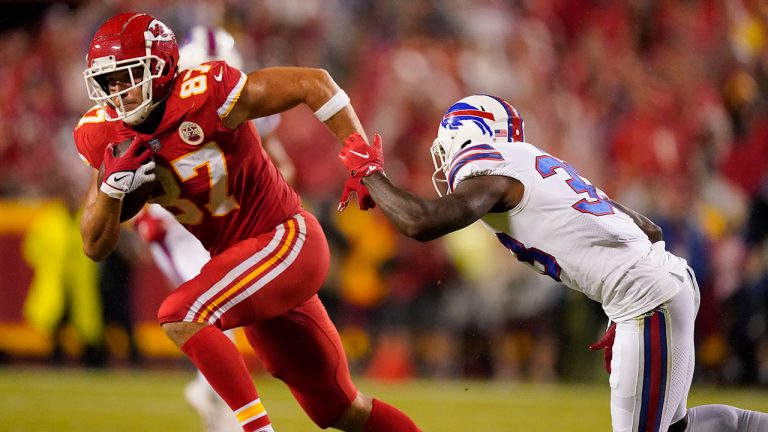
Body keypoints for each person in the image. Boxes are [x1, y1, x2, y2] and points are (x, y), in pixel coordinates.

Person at [337, 94, 768, 432]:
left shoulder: (490, 168)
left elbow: (420, 222)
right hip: (667, 283)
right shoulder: (531, 162)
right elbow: (648, 229)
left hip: (647, 299)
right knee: (676, 428)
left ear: (463, 137)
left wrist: (371, 172)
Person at [74, 13, 420, 432]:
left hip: (286, 239)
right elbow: (93, 245)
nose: (119, 92)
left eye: (128, 76)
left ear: (161, 66)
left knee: (182, 313)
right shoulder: (103, 133)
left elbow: (314, 83)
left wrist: (363, 161)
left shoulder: (206, 92)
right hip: (247, 267)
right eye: (109, 81)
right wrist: (112, 191)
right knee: (341, 410)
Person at [132, 24, 296, 432]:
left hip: (222, 221)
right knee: (204, 310)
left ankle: (217, 401)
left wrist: (268, 187)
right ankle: (228, 412)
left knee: (217, 311)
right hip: (176, 223)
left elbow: (282, 163)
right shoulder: (159, 104)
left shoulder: (231, 95)